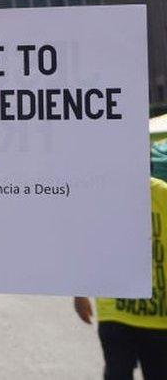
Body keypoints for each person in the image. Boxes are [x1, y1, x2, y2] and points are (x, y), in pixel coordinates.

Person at [73, 141, 167, 380]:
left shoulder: (162, 194)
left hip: (159, 317)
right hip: (115, 310)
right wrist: (80, 291)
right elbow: (89, 243)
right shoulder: (104, 196)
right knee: (116, 372)